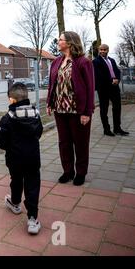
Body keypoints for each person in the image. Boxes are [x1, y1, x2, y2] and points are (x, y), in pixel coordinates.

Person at [47, 31, 95, 186]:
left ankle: (81, 173)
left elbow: (89, 88)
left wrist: (87, 112)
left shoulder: (83, 62)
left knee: (80, 143)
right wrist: (49, 103)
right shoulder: (56, 62)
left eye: (60, 40)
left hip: (77, 111)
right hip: (60, 110)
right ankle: (68, 171)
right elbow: (51, 85)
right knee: (64, 142)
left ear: (69, 43)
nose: (58, 42)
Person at [0, 82, 43, 235]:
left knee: (16, 180)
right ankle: (33, 219)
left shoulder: (7, 118)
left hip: (14, 158)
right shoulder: (36, 113)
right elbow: (39, 132)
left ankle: (15, 203)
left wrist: (8, 147)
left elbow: (1, 140)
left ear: (12, 100)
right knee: (32, 185)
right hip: (33, 158)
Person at [93, 44, 129, 136]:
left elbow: (117, 71)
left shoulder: (112, 60)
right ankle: (107, 129)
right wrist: (111, 80)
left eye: (104, 50)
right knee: (104, 110)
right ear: (98, 50)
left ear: (108, 50)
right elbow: (99, 75)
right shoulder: (96, 62)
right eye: (101, 49)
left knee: (117, 107)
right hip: (104, 88)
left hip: (114, 87)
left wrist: (117, 79)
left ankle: (117, 128)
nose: (103, 51)